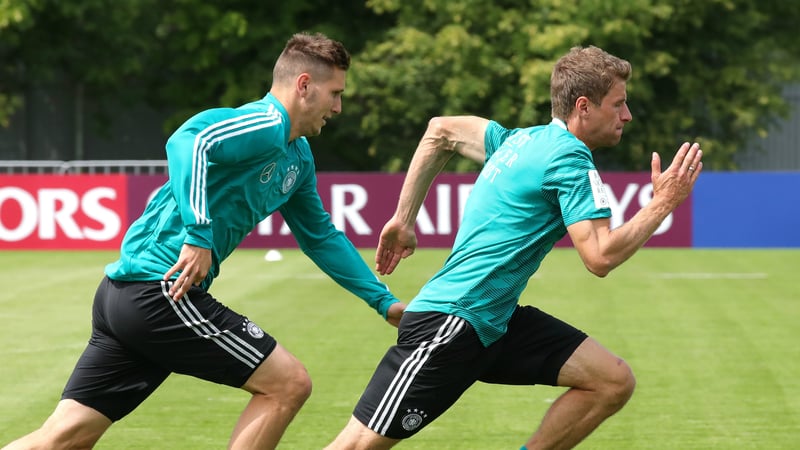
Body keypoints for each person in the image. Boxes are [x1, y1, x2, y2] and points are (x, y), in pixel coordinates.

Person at [3, 32, 404, 450]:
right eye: (335, 94)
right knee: (287, 385)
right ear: (303, 85)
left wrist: (383, 301)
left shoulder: (298, 158)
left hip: (128, 296)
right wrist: (198, 233)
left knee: (64, 438)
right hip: (160, 290)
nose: (338, 107)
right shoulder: (265, 124)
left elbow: (320, 237)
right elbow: (187, 142)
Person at [325, 45, 703, 450]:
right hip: (454, 321)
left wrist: (404, 218)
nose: (627, 116)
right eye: (618, 104)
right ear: (583, 106)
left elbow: (441, 130)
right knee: (356, 446)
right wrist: (664, 202)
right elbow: (600, 257)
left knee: (611, 381)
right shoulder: (570, 158)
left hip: (494, 323)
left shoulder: (519, 141)